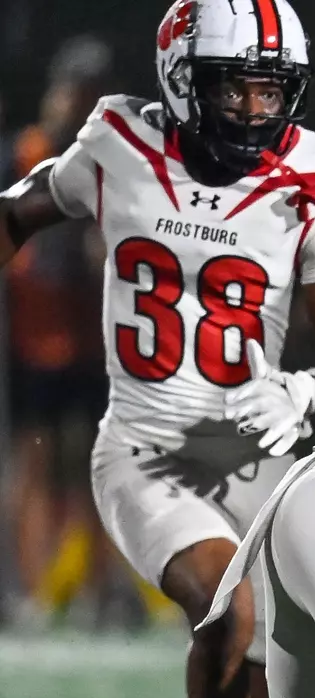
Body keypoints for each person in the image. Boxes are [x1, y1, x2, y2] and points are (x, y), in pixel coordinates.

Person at [0, 0, 315, 698]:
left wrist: (307, 392)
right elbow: (20, 215)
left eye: (269, 88)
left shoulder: (312, 184)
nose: (254, 110)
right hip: (146, 451)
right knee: (228, 611)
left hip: (253, 452)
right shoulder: (118, 144)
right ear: (179, 79)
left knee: (253, 676)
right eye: (232, 86)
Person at [3, 37, 127, 627]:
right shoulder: (26, 153)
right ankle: (31, 589)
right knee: (35, 460)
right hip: (33, 334)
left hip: (89, 334)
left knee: (94, 463)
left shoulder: (105, 158)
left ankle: (96, 590)